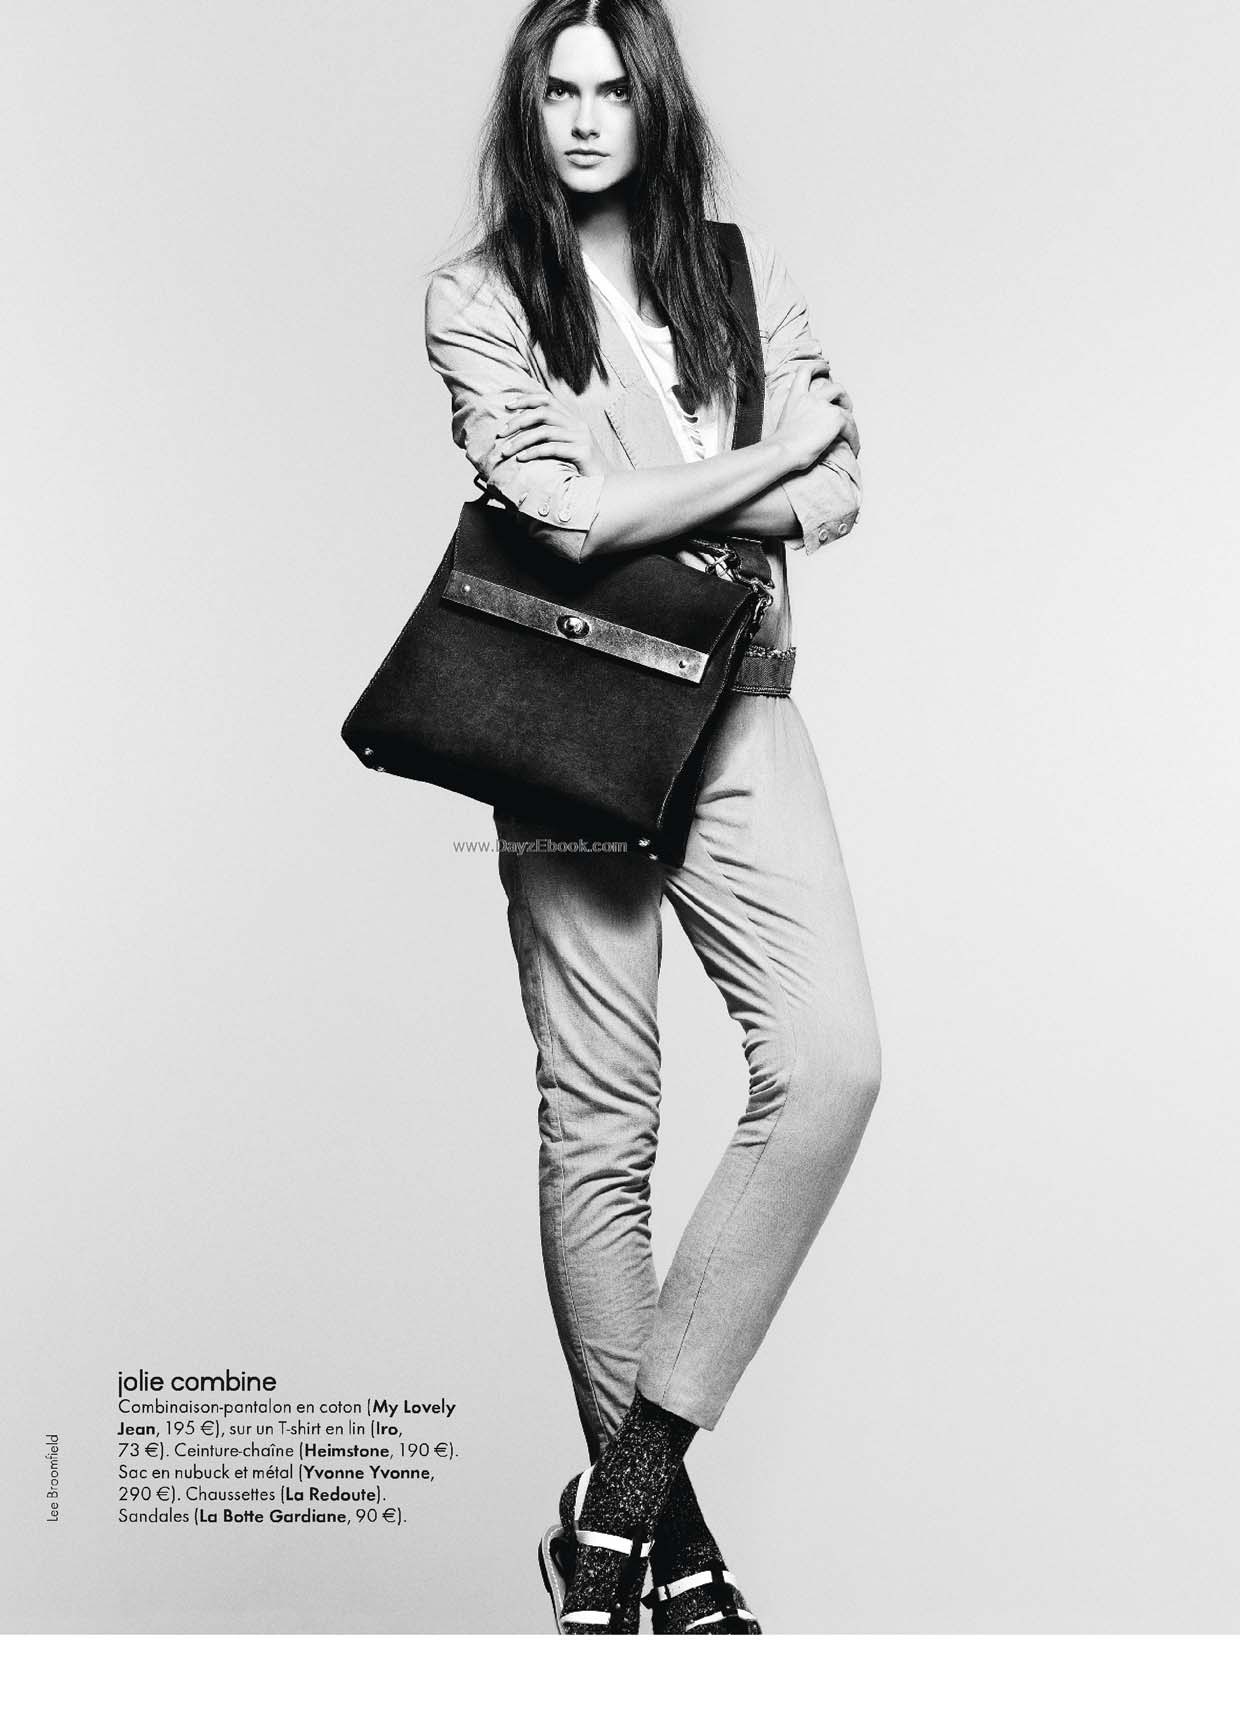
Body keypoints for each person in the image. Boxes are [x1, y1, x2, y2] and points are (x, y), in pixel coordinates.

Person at [424, 0, 881, 1634]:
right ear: (527, 109)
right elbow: (564, 519)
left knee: (830, 1065)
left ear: (654, 103)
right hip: (569, 720)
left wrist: (662, 492)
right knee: (600, 1124)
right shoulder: (481, 296)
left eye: (613, 88)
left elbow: (840, 485)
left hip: (741, 704)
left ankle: (615, 1495)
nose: (584, 116)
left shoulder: (744, 277)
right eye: (558, 88)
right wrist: (755, 464)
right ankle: (666, 1553)